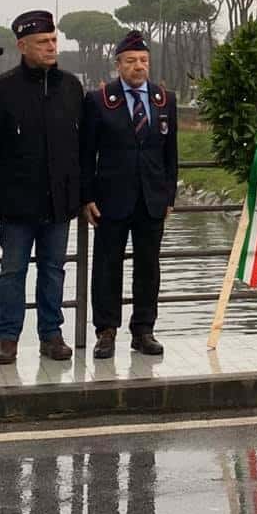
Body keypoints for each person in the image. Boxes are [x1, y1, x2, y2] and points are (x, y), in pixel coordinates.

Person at [0, 10, 83, 364]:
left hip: (59, 203)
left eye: (54, 40)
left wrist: (82, 196)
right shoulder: (3, 91)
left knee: (54, 270)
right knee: (12, 272)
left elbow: (81, 148)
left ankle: (51, 335)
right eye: (43, 42)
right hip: (16, 204)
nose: (51, 46)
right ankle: (8, 338)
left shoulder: (71, 87)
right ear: (22, 45)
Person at [81, 30, 177, 359]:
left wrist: (169, 196)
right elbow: (86, 154)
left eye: (144, 61)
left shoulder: (165, 99)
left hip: (151, 199)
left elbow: (171, 155)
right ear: (118, 64)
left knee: (148, 266)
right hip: (110, 199)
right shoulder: (99, 100)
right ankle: (106, 331)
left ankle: (144, 330)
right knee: (107, 265)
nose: (139, 67)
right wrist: (87, 195)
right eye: (132, 61)